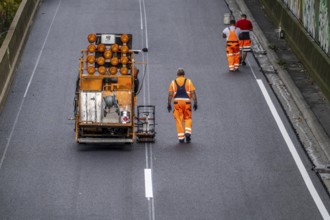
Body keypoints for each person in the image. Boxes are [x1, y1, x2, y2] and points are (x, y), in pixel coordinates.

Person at [167, 68, 197, 143]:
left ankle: (181, 138)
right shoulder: (189, 81)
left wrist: (169, 104)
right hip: (187, 102)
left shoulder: (173, 82)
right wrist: (195, 102)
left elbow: (170, 94)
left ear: (177, 75)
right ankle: (188, 132)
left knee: (178, 120)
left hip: (177, 103)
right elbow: (193, 92)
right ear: (184, 75)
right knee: (188, 118)